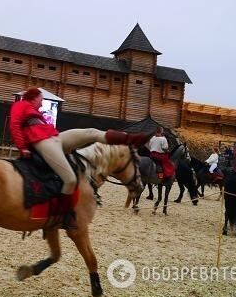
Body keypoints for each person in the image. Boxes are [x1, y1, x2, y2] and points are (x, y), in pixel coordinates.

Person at [9, 87, 153, 228]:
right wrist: (22, 147)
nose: (42, 103)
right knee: (70, 179)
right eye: (41, 99)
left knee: (91, 132)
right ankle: (63, 215)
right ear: (34, 97)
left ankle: (132, 139)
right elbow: (14, 125)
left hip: (54, 138)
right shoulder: (20, 105)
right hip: (41, 142)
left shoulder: (36, 111)